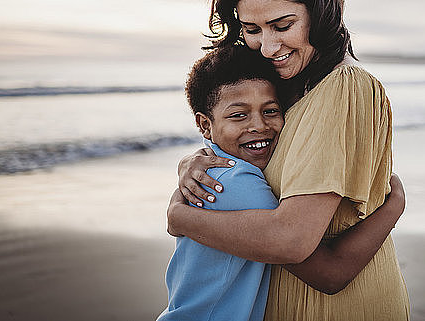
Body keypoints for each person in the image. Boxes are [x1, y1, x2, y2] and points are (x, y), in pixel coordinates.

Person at [168, 0, 410, 320]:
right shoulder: (292, 90)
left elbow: (293, 240)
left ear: (318, 12)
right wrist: (200, 159)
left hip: (339, 309)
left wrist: (181, 218)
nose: (267, 46)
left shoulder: (344, 89)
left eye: (282, 25)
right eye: (252, 29)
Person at [158, 45, 405, 321]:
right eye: (239, 115)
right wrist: (394, 205)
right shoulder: (238, 185)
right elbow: (330, 273)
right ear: (205, 125)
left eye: (271, 110)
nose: (258, 126)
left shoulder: (213, 168)